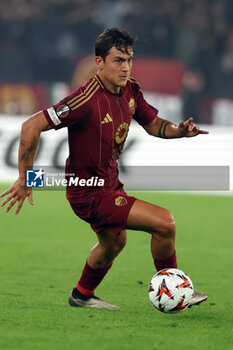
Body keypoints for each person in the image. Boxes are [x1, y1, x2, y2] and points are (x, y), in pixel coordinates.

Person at [0, 28, 208, 310]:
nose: (126, 67)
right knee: (164, 223)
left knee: (113, 244)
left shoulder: (131, 89)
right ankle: (175, 288)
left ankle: (82, 295)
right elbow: (31, 125)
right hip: (88, 193)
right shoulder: (84, 100)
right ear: (99, 62)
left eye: (129, 60)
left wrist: (179, 130)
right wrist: (26, 178)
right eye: (118, 60)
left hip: (110, 185)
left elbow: (154, 124)